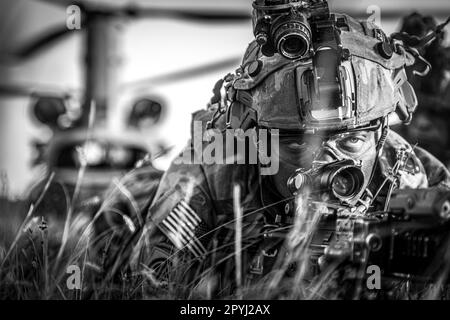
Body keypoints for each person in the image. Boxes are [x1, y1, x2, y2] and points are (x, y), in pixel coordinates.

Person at [130, 11, 450, 299]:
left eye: (352, 142)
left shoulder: (405, 174)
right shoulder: (211, 171)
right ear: (256, 140)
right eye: (298, 146)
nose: (327, 164)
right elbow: (154, 290)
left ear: (380, 135)